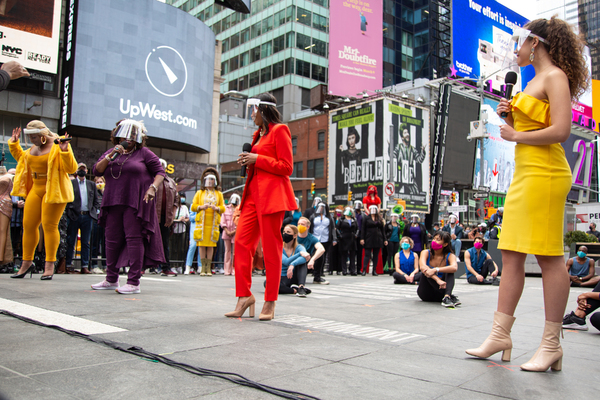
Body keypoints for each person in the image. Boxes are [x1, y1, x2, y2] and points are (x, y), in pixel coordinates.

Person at [466, 17, 589, 372]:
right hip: (525, 173)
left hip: (547, 173)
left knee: (548, 255)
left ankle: (551, 345)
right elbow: (535, 126)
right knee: (511, 252)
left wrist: (517, 134)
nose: (515, 49)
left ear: (535, 43)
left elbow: (561, 130)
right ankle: (499, 335)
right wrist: (514, 120)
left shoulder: (555, 77)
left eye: (519, 42)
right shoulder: (532, 81)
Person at [226, 93, 296, 321]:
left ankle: (270, 301)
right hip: (251, 198)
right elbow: (260, 163)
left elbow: (286, 167)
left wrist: (258, 159)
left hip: (271, 198)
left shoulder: (280, 130)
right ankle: (244, 296)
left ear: (263, 110)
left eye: (253, 110)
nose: (252, 115)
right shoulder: (258, 134)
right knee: (242, 244)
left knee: (271, 249)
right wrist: (248, 161)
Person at [91, 119, 165, 294]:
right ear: (118, 135)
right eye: (125, 134)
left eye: (132, 135)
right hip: (112, 200)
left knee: (134, 239)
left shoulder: (144, 153)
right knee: (111, 240)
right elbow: (96, 171)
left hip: (135, 201)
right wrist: (112, 155)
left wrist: (152, 188)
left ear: (139, 137)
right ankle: (111, 279)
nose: (128, 138)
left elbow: (160, 172)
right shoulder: (112, 152)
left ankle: (133, 282)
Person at [9, 121, 77, 280]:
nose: (32, 140)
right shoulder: (33, 149)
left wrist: (65, 151)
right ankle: (26, 263)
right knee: (28, 225)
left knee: (49, 225)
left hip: (54, 188)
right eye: (30, 137)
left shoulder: (58, 144)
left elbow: (72, 169)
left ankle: (49, 264)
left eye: (34, 137)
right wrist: (14, 145)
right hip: (36, 188)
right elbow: (23, 159)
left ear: (43, 136)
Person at [65, 163, 101, 274]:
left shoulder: (91, 184)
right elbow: (68, 199)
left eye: (83, 169)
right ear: (76, 171)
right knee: (71, 240)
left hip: (87, 216)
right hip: (75, 215)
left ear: (86, 171)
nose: (82, 171)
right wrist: (70, 212)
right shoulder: (71, 183)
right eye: (79, 169)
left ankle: (85, 265)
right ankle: (68, 265)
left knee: (86, 242)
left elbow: (96, 200)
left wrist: (93, 212)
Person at [191, 168, 225, 276]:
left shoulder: (219, 194)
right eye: (208, 180)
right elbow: (193, 206)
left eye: (212, 180)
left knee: (211, 245)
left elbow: (223, 207)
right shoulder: (199, 193)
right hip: (202, 222)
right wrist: (201, 207)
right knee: (201, 245)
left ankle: (208, 267)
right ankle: (202, 268)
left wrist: (217, 208)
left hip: (213, 222)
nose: (210, 182)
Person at [418, 231, 459, 307]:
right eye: (434, 239)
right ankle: (449, 296)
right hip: (426, 292)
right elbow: (422, 266)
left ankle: (447, 297)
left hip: (441, 291)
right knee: (426, 270)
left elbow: (454, 267)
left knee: (449, 271)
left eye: (438, 239)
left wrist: (436, 269)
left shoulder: (450, 255)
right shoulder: (425, 252)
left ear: (445, 244)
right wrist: (437, 280)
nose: (434, 241)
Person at [156, 159, 179, 277]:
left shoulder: (171, 182)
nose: (160, 167)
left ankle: (166, 267)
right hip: (153, 216)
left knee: (165, 243)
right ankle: (142, 267)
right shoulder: (151, 179)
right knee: (147, 241)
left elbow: (176, 200)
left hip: (166, 217)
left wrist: (172, 215)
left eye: (162, 166)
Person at [277, 225, 311, 297]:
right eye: (284, 232)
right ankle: (293, 290)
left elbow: (306, 257)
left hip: (293, 275)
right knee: (267, 283)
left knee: (302, 263)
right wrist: (300, 254)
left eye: (288, 232)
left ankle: (301, 287)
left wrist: (292, 264)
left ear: (295, 235)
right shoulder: (279, 247)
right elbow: (286, 261)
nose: (285, 234)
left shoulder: (299, 247)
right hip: (282, 277)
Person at [393, 123, 426, 195]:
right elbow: (392, 157)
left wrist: (423, 152)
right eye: (405, 133)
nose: (407, 134)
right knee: (393, 192)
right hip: (400, 175)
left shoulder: (412, 149)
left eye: (408, 132)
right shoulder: (398, 147)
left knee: (416, 193)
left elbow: (419, 160)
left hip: (409, 177)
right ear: (402, 137)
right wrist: (389, 147)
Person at [309, 202, 335, 284]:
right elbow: (310, 227)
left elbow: (333, 228)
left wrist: (334, 239)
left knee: (322, 257)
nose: (321, 208)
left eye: (323, 207)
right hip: (315, 239)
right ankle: (314, 272)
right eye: (320, 207)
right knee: (315, 256)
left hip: (325, 239)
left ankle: (319, 273)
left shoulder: (329, 218)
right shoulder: (313, 217)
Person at [297, 217, 325, 284]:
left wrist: (312, 260)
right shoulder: (293, 236)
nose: (300, 226)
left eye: (302, 224)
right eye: (298, 224)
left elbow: (321, 249)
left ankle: (317, 277)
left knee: (320, 254)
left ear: (308, 227)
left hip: (307, 263)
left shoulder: (311, 238)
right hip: (295, 263)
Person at [360, 205, 387, 276]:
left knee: (376, 255)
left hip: (378, 238)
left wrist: (385, 239)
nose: (373, 210)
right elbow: (363, 228)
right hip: (368, 238)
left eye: (374, 209)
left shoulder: (379, 218)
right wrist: (362, 238)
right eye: (371, 209)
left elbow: (382, 230)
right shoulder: (366, 218)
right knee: (367, 254)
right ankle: (364, 270)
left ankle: (374, 270)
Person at [221, 193, 240, 276]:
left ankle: (234, 269)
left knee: (235, 252)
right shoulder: (226, 208)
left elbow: (240, 221)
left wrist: (234, 231)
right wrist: (226, 230)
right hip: (226, 232)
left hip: (236, 232)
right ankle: (227, 269)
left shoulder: (239, 209)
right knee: (227, 251)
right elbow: (223, 220)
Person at [90, 177, 106, 273]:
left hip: (105, 220)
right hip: (96, 219)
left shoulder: (106, 192)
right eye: (97, 182)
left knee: (105, 244)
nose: (99, 184)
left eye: (101, 182)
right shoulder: (93, 192)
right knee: (95, 243)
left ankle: (105, 265)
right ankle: (94, 264)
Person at [171, 194, 190, 274]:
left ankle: (180, 265)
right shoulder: (172, 207)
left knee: (181, 248)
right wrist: (177, 220)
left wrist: (183, 220)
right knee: (173, 248)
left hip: (182, 230)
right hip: (173, 230)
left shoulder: (184, 208)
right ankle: (173, 265)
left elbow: (187, 218)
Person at [337, 207, 358, 275]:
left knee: (352, 255)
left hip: (352, 238)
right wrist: (340, 235)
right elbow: (337, 228)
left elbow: (357, 228)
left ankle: (352, 270)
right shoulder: (342, 220)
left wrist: (356, 235)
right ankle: (344, 270)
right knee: (344, 255)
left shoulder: (354, 220)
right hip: (344, 238)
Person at [329, 206, 344, 275]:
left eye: (339, 212)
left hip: (340, 238)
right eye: (337, 212)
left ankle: (339, 269)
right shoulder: (333, 219)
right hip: (333, 239)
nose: (338, 213)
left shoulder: (343, 219)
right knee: (332, 254)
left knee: (340, 254)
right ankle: (331, 269)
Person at [354, 200, 364, 274]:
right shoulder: (352, 213)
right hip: (353, 234)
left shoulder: (363, 215)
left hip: (360, 234)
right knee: (352, 252)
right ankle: (352, 269)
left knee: (359, 253)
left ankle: (358, 269)